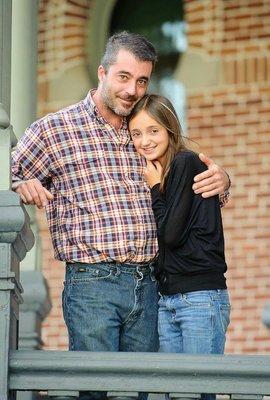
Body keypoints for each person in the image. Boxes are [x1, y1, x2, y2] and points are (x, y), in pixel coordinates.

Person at [12, 31, 230, 400]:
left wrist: (224, 181)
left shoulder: (143, 129)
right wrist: (21, 184)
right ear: (102, 72)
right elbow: (9, 170)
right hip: (92, 284)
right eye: (124, 77)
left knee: (141, 390)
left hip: (150, 286)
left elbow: (186, 183)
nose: (132, 90)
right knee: (96, 389)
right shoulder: (55, 129)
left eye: (142, 80)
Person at [128, 94, 231, 400]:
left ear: (170, 129)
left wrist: (154, 190)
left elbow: (170, 235)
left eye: (153, 130)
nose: (145, 141)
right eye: (136, 133)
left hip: (200, 299)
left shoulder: (186, 163)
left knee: (198, 392)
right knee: (173, 393)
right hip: (169, 300)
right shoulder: (165, 171)